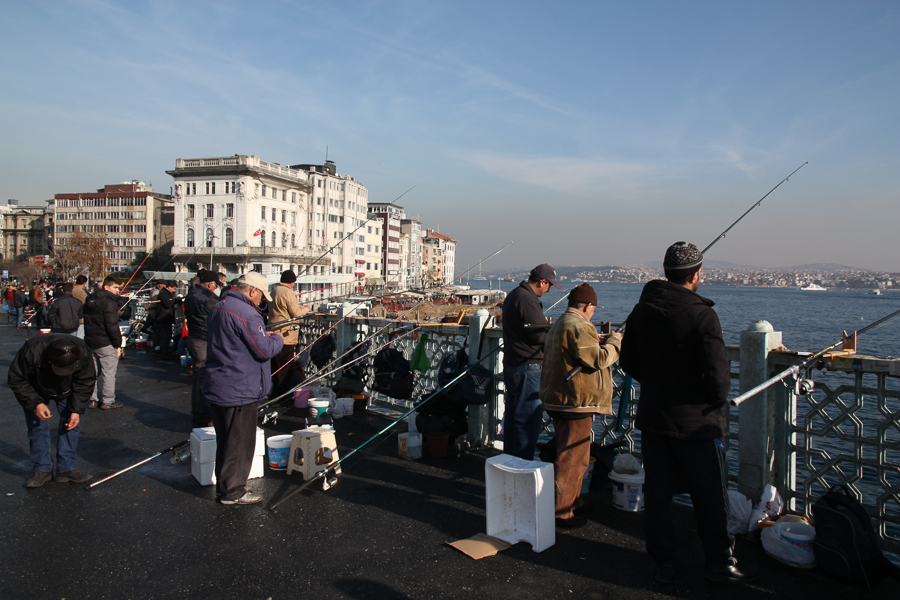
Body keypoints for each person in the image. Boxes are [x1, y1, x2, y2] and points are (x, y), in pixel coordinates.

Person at [619, 242, 757, 584]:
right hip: (698, 423)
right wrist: (706, 397)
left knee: (659, 494)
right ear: (696, 275)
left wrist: (656, 383)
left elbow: (628, 360)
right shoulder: (702, 314)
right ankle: (720, 562)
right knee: (710, 496)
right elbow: (718, 378)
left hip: (654, 418)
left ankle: (664, 562)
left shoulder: (641, 311)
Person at [539, 283, 621, 528]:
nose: (593, 314)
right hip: (574, 401)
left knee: (577, 455)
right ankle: (561, 512)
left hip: (558, 398)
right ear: (587, 306)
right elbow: (598, 359)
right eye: (592, 309)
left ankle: (573, 503)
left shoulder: (562, 322)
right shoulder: (579, 324)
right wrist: (614, 342)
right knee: (573, 458)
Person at [204, 272, 283, 505]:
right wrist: (276, 338)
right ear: (253, 291)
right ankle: (233, 492)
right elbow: (265, 350)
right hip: (239, 387)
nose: (261, 301)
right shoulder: (248, 313)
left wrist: (261, 336)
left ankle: (226, 486)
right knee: (239, 443)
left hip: (219, 383)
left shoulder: (219, 307)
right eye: (261, 296)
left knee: (226, 440)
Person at [8, 334, 97, 488]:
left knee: (71, 424)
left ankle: (67, 468)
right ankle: (42, 469)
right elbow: (17, 378)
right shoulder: (31, 350)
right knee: (37, 426)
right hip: (36, 388)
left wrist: (76, 410)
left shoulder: (83, 352)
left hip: (67, 390)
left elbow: (85, 381)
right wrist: (36, 403)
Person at [500, 263, 559, 460]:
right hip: (528, 366)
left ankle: (508, 463)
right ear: (542, 282)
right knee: (527, 421)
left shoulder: (515, 294)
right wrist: (549, 329)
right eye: (549, 285)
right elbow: (537, 337)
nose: (549, 289)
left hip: (513, 364)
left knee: (514, 420)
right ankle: (521, 468)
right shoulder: (527, 299)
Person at [184, 270, 221, 427]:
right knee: (205, 378)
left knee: (198, 377)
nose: (216, 288)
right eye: (215, 285)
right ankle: (203, 414)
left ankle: (198, 412)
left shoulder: (191, 294)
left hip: (193, 338)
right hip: (204, 340)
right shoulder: (210, 298)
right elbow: (221, 316)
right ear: (211, 284)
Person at [84, 275, 123, 410]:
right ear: (106, 287)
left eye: (118, 288)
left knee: (93, 372)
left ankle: (92, 399)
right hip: (105, 341)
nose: (117, 290)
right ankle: (107, 400)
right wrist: (118, 344)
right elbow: (112, 325)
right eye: (115, 287)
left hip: (91, 340)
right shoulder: (109, 302)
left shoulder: (90, 299)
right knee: (108, 373)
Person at [268, 270, 310, 397]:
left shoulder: (274, 290)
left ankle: (276, 391)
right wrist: (305, 309)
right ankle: (283, 394)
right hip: (286, 335)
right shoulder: (288, 293)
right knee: (285, 365)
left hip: (274, 333)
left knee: (275, 365)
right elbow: (296, 313)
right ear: (292, 282)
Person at [154, 280, 181, 358]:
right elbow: (168, 303)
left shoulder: (165, 293)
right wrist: (176, 300)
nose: (174, 290)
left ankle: (163, 350)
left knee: (165, 335)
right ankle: (164, 352)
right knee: (166, 335)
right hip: (164, 317)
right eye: (173, 289)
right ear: (169, 287)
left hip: (165, 317)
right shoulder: (163, 293)